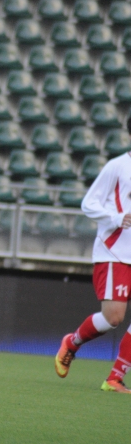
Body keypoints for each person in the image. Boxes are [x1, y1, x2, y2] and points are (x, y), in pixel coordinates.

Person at [54, 116, 131, 394]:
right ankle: (72, 343)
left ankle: (114, 378)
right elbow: (89, 203)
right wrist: (116, 217)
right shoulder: (118, 166)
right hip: (115, 252)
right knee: (113, 318)